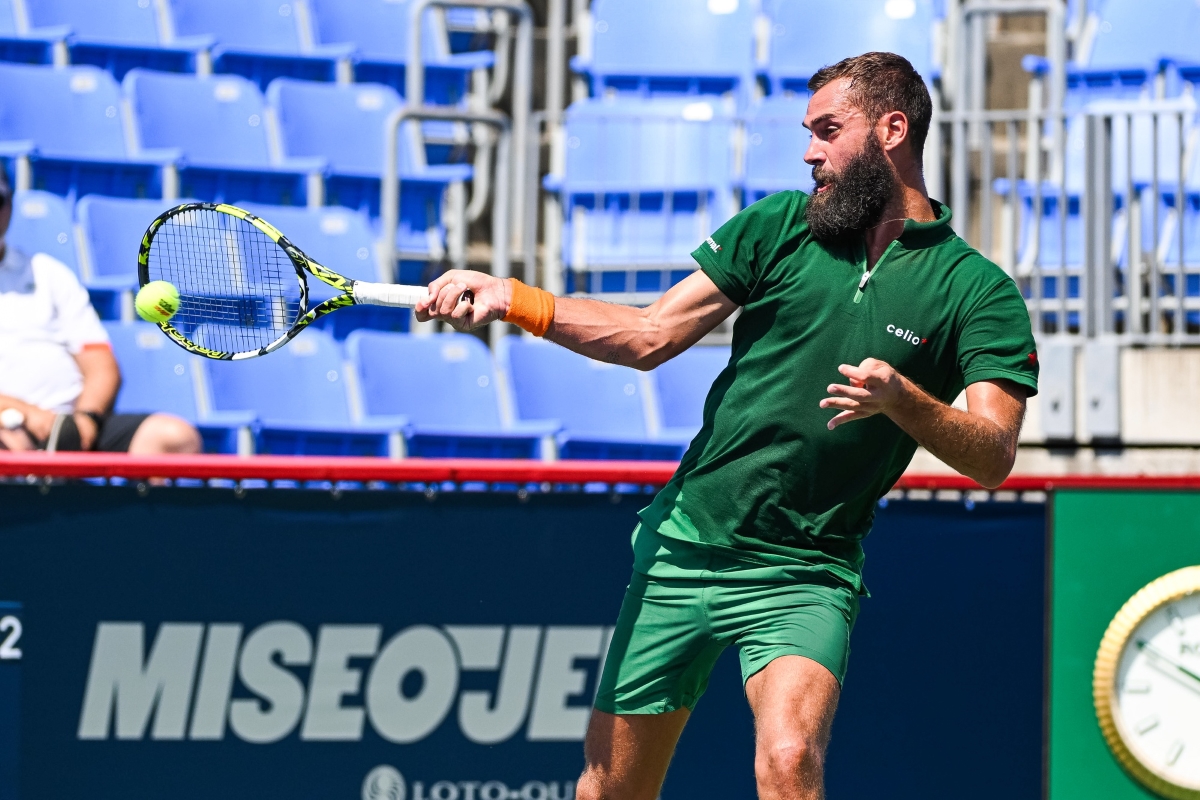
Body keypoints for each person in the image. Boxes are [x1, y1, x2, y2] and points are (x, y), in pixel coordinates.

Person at [417, 52, 1038, 799]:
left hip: (805, 569)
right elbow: (650, 334)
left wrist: (905, 399)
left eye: (827, 131)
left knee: (789, 760)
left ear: (892, 130)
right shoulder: (778, 227)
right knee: (609, 787)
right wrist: (516, 298)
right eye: (808, 133)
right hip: (685, 546)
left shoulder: (977, 291)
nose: (810, 151)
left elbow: (994, 454)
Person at [0, 176, 201, 455]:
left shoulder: (48, 272)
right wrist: (23, 412)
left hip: (70, 424)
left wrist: (86, 420)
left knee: (173, 437)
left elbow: (101, 365)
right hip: (8, 426)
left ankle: (144, 502)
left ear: (10, 204)